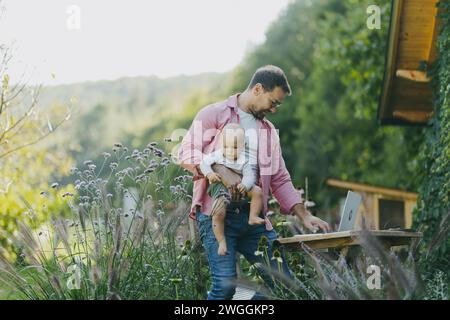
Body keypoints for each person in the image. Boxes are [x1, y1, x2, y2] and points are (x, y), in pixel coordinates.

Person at [178, 65, 331, 300]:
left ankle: (244, 300)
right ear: (258, 89)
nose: (275, 109)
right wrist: (221, 170)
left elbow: (280, 178)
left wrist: (304, 215)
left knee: (285, 286)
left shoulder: (269, 132)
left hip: (253, 218)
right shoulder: (213, 114)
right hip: (217, 215)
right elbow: (185, 152)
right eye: (273, 102)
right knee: (225, 287)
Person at [199, 123, 267, 256]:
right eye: (226, 146)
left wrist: (245, 185)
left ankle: (253, 216)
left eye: (235, 147)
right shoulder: (218, 155)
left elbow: (249, 176)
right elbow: (204, 163)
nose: (229, 150)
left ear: (243, 146)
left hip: (240, 187)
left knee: (257, 191)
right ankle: (222, 241)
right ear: (221, 144)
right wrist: (209, 174)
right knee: (218, 213)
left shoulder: (245, 160)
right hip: (220, 187)